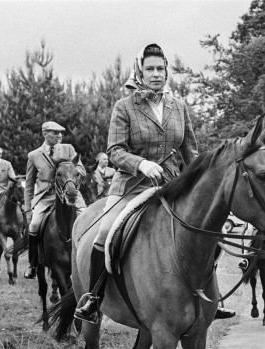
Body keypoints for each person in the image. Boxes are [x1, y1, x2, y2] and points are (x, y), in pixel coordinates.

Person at [73, 43, 234, 323]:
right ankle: (94, 297)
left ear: (167, 71)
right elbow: (114, 151)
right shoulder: (124, 107)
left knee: (208, 232)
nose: (156, 74)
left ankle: (207, 297)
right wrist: (141, 164)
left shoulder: (179, 107)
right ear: (140, 72)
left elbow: (191, 154)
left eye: (160, 68)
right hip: (131, 185)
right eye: (150, 69)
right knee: (106, 232)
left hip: (172, 186)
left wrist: (203, 185)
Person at [23, 120, 87, 279]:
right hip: (46, 196)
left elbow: (82, 171)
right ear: (45, 134)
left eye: (61, 133)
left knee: (87, 218)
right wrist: (27, 209)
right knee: (34, 225)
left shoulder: (68, 149)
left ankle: (88, 256)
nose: (60, 136)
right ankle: (32, 263)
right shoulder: (34, 155)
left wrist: (70, 170)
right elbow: (29, 185)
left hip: (69, 192)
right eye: (55, 133)